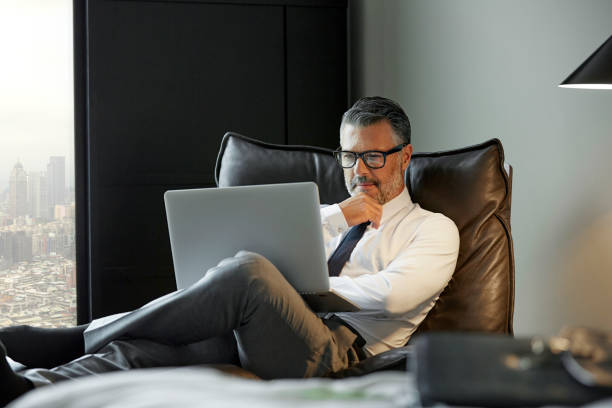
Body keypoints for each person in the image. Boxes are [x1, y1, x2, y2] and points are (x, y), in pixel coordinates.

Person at [0, 96, 459, 406]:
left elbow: (394, 296)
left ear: (404, 156)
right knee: (147, 347)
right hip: (258, 331)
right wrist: (339, 214)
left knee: (253, 273)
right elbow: (260, 251)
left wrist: (299, 287)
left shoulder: (433, 231)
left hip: (334, 355)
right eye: (349, 157)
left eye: (374, 157)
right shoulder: (322, 214)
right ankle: (27, 386)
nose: (360, 171)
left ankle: (76, 337)